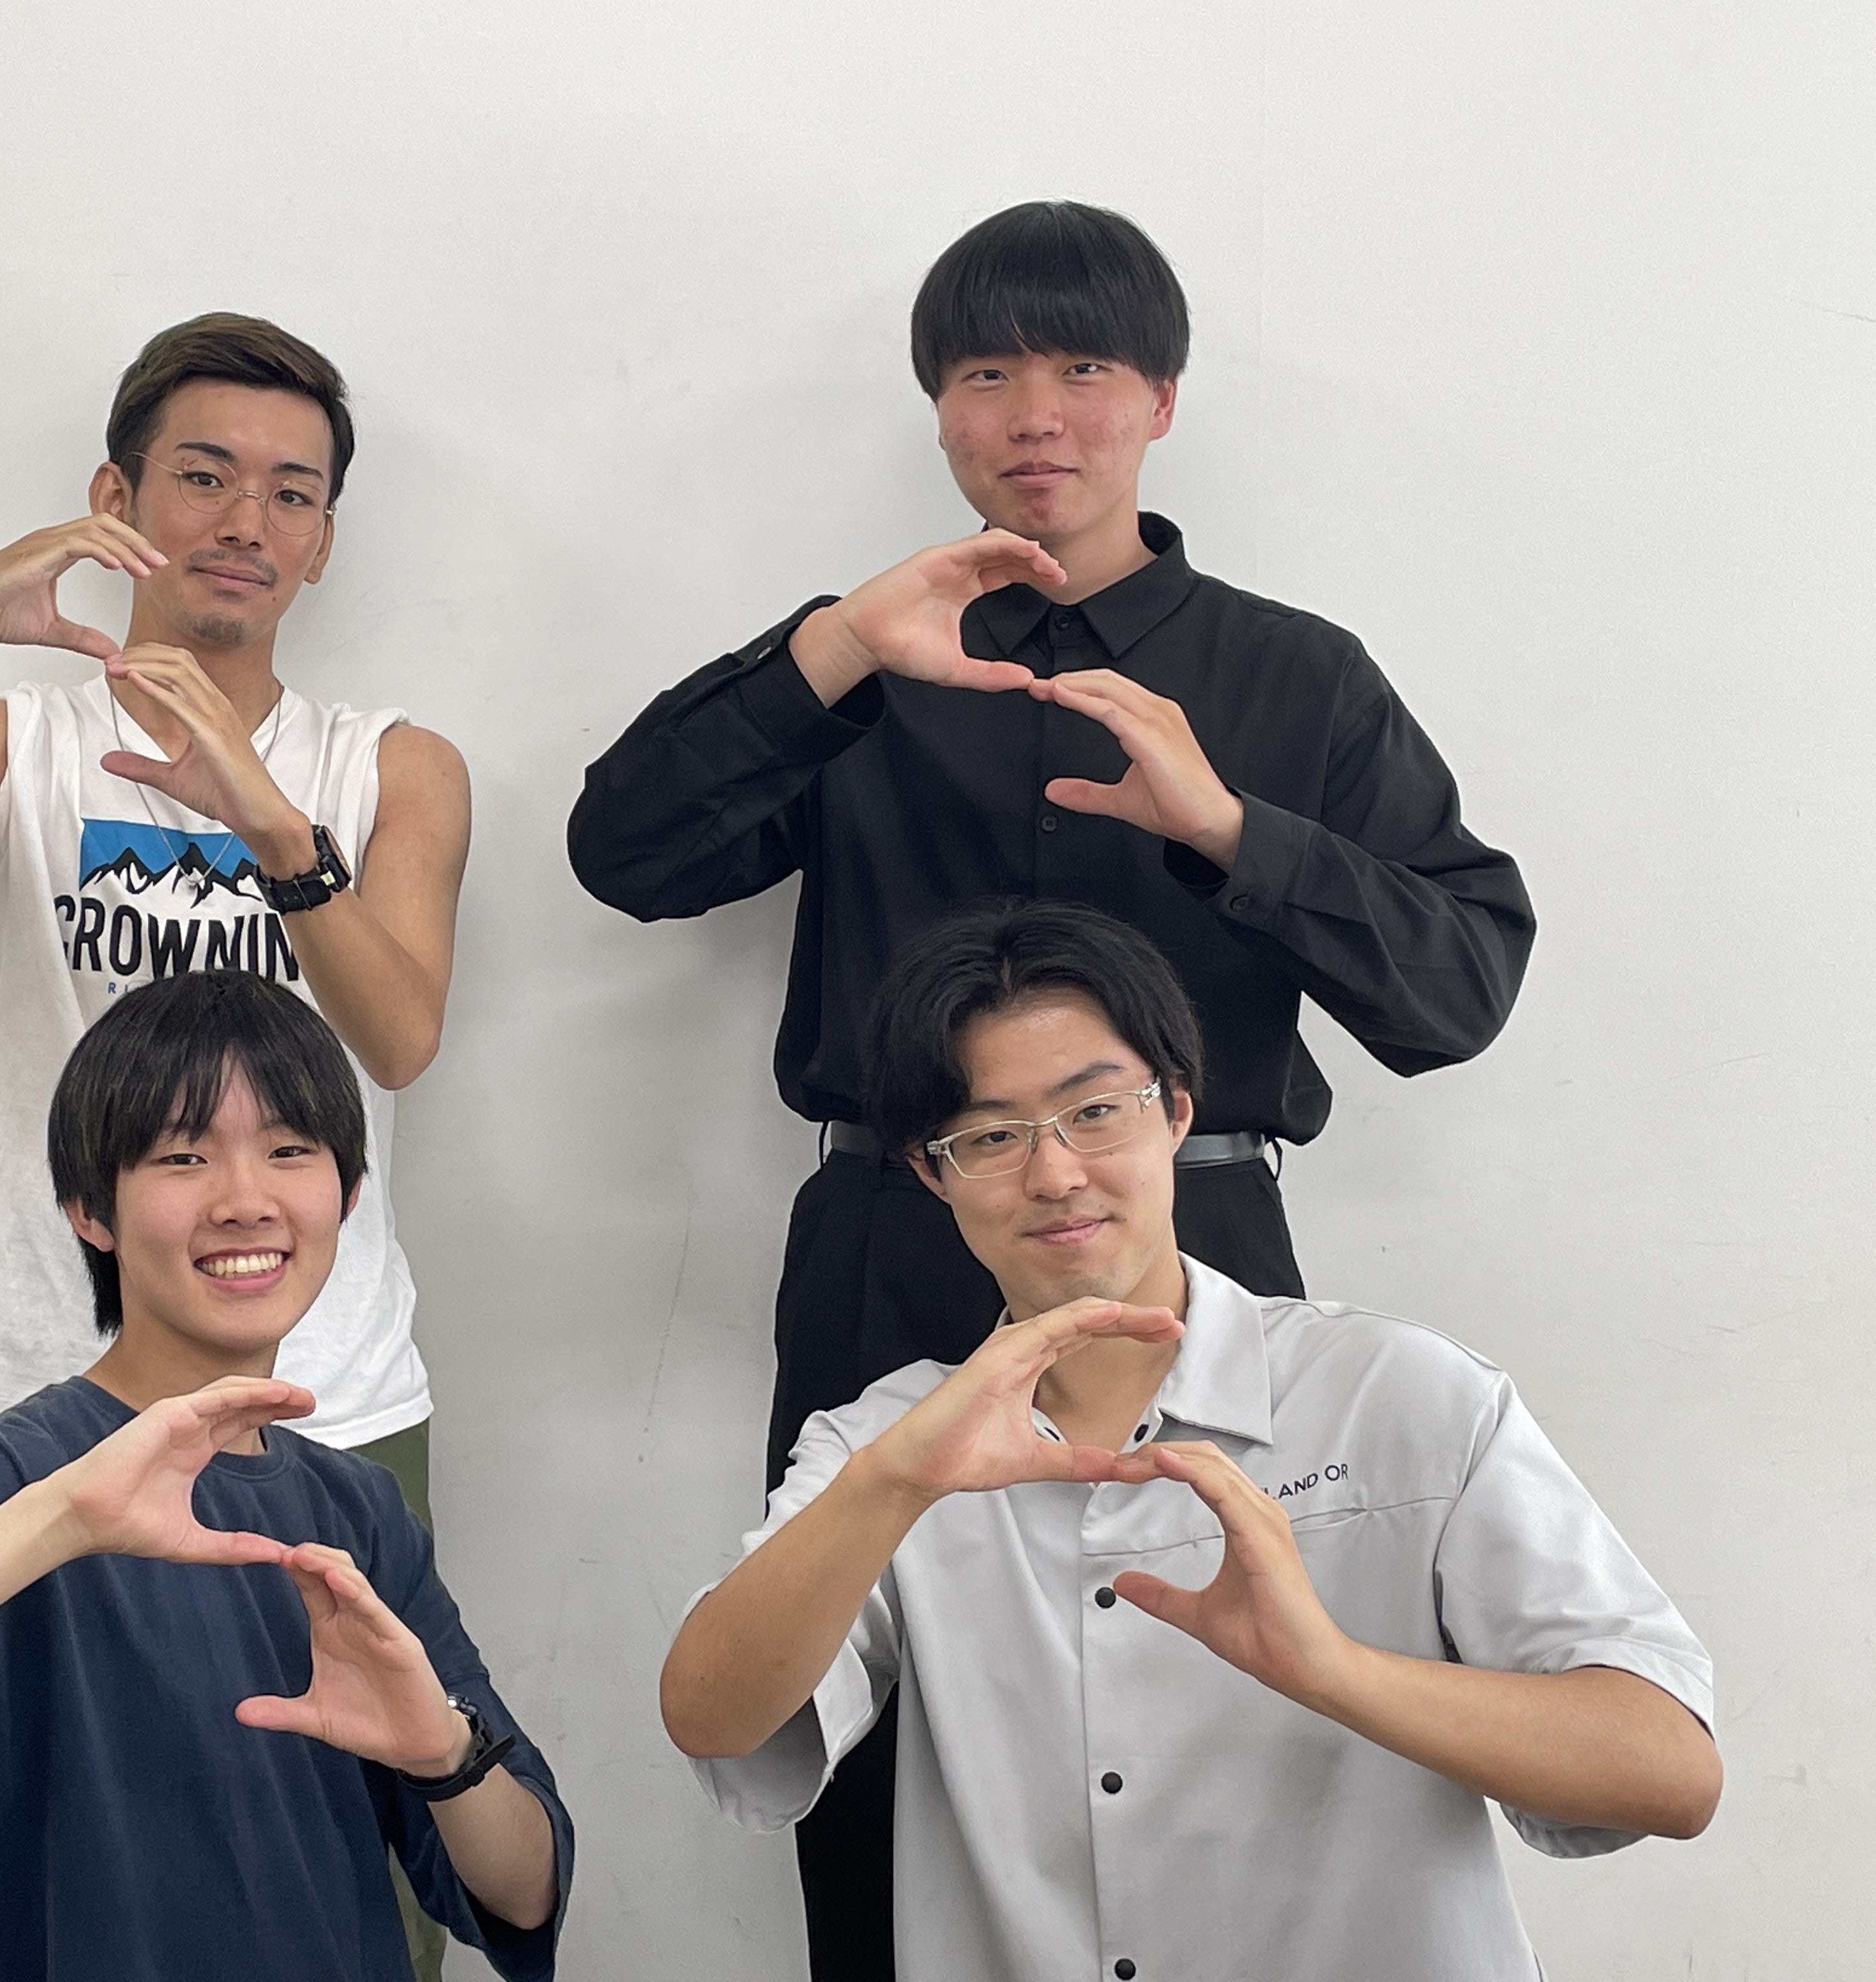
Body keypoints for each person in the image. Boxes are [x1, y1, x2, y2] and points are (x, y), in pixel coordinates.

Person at [566, 201, 1535, 1974]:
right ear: (938, 410)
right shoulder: (872, 652)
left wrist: (1233, 832)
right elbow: (625, 855)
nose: (1036, 415)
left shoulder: (1295, 676)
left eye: (1085, 368)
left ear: (1160, 400)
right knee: (857, 1724)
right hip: (894, 1239)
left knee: (1226, 1680)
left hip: (1199, 1250)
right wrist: (831, 653)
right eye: (986, 374)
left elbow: (1460, 987)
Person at [659, 902, 1716, 1982]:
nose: (1055, 1175)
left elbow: (1668, 1771)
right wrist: (890, 1487)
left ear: (1175, 1111)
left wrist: (1336, 1671)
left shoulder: (1399, 1393)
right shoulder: (886, 1443)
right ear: (932, 1173)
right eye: (990, 1136)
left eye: (1094, 1112)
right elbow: (712, 1717)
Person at [0, 971, 570, 1981]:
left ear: (347, 1196)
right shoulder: (8, 1482)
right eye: (183, 1157)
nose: (246, 1201)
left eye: (290, 1150)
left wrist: (444, 1756)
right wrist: (61, 1521)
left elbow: (522, 1893)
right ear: (91, 1210)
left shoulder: (358, 1510)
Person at [0, 311, 468, 1500]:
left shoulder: (396, 767)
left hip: (329, 1402)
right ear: (115, 499)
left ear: (323, 542)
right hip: (40, 1388)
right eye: (204, 478)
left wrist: (274, 829)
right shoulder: (7, 746)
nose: (246, 524)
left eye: (292, 496)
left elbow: (397, 1044)